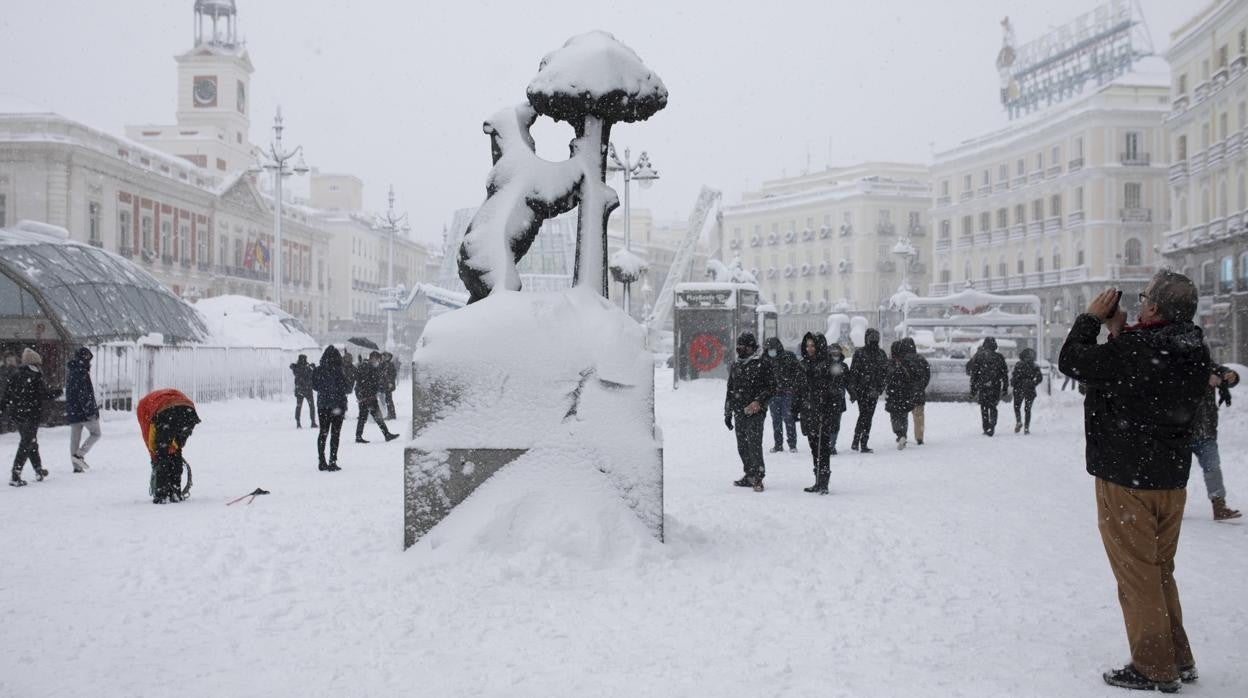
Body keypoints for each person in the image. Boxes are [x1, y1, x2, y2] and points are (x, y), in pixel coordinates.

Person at [1059, 275, 1210, 693]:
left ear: (1154, 310)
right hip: (1170, 480)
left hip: (1127, 478)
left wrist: (1090, 319)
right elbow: (1141, 375)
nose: (1141, 302)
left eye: (1145, 298)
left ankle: (1153, 666)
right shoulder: (1193, 349)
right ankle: (1178, 656)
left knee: (1137, 576)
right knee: (1160, 572)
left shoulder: (1138, 350)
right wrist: (1120, 332)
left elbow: (1073, 360)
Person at [792, 332, 847, 494]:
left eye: (813, 345)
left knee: (823, 448)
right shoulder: (802, 364)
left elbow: (838, 390)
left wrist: (828, 400)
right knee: (813, 447)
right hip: (808, 411)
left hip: (824, 412)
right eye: (807, 345)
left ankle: (823, 481)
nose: (809, 349)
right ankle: (817, 479)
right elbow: (798, 389)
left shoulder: (829, 364)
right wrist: (795, 409)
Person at [1190, 364, 1242, 520]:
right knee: (1176, 473)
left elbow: (1228, 376)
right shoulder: (1175, 366)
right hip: (1181, 433)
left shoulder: (1207, 365)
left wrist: (1230, 375)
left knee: (1212, 468)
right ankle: (1171, 508)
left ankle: (1219, 506)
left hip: (1206, 432)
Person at [724, 331, 774, 492]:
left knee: (754, 443)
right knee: (742, 445)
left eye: (743, 348)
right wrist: (727, 412)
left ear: (751, 347)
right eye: (737, 347)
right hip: (739, 410)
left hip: (756, 411)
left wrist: (758, 401)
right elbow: (730, 390)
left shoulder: (762, 363)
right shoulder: (736, 365)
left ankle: (758, 477)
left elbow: (772, 386)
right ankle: (749, 473)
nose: (739, 350)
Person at [3, 348, 60, 486]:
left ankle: (38, 470)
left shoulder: (16, 374)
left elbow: (7, 395)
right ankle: (15, 475)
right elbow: (44, 394)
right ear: (35, 363)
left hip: (17, 414)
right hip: (30, 414)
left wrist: (3, 407)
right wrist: (58, 391)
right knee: (27, 442)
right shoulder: (35, 375)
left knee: (30, 441)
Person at [137, 389, 200, 504]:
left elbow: (150, 438)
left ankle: (162, 495)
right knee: (176, 452)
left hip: (167, 412)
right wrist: (173, 447)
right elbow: (173, 442)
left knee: (162, 456)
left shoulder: (143, 408)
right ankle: (175, 492)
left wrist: (155, 457)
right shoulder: (157, 398)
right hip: (188, 411)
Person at [848, 328, 888, 453]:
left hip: (873, 390)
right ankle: (859, 441)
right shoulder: (860, 353)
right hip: (862, 391)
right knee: (865, 415)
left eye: (875, 338)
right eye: (872, 338)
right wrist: (854, 391)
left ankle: (860, 441)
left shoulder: (881, 354)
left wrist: (879, 388)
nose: (874, 341)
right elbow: (853, 373)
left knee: (867, 416)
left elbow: (885, 373)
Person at [312, 346, 351, 471]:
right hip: (337, 406)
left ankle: (321, 460)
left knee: (323, 433)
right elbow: (347, 388)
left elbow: (315, 386)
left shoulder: (318, 370)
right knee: (335, 434)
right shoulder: (339, 370)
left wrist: (325, 391)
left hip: (323, 405)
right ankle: (332, 461)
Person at [66, 347, 102, 472]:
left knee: (75, 439)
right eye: (87, 357)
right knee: (96, 434)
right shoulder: (81, 372)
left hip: (73, 411)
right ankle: (79, 455)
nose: (89, 361)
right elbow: (84, 395)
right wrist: (90, 411)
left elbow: (72, 393)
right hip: (84, 412)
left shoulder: (72, 371)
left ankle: (76, 467)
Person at [966, 337, 1009, 436]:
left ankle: (986, 427)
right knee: (993, 406)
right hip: (995, 385)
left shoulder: (979, 357)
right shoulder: (999, 357)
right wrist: (1005, 387)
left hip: (983, 385)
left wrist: (973, 390)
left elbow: (974, 374)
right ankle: (992, 425)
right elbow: (1004, 374)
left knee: (984, 407)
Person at [763, 337, 800, 453]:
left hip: (787, 394)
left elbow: (798, 373)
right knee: (776, 420)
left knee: (789, 418)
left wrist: (792, 387)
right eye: (768, 349)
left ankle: (792, 444)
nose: (770, 351)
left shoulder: (788, 357)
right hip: (773, 394)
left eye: (772, 349)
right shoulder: (764, 359)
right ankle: (778, 444)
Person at [354, 351, 399, 444]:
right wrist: (368, 393)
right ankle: (386, 435)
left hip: (367, 396)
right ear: (373, 358)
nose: (379, 361)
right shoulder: (366, 367)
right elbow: (364, 382)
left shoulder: (369, 367)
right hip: (367, 396)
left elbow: (372, 381)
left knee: (366, 416)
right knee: (374, 416)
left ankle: (359, 436)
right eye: (378, 359)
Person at [884, 341, 916, 450]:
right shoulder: (907, 362)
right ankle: (903, 434)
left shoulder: (890, 363)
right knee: (904, 415)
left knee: (894, 416)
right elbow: (912, 377)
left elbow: (886, 378)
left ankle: (899, 434)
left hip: (893, 394)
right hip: (905, 394)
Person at [900, 337, 930, 445]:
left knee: (903, 415)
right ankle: (919, 436)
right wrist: (921, 386)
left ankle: (902, 435)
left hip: (905, 392)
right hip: (919, 392)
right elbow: (927, 375)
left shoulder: (902, 361)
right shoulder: (922, 359)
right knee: (919, 414)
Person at [1011, 347, 1043, 434]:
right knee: (1027, 409)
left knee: (1017, 406)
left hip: (1019, 388)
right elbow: (1040, 378)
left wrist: (1014, 384)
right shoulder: (1034, 366)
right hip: (1030, 389)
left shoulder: (1018, 365)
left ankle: (1018, 421)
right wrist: (1033, 383)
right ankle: (1026, 427)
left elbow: (1014, 377)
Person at [290, 354, 317, 429]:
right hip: (308, 390)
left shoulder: (296, 368)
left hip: (300, 390)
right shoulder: (307, 368)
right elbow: (312, 374)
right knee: (311, 406)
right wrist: (312, 367)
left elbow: (294, 370)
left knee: (299, 406)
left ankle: (298, 423)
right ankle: (313, 422)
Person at [380, 352, 398, 421]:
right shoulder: (382, 364)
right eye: (382, 356)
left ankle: (392, 414)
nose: (383, 357)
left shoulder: (390, 364)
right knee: (387, 399)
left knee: (388, 400)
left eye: (384, 356)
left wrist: (390, 382)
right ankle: (390, 414)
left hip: (388, 385)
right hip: (384, 384)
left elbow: (393, 374)